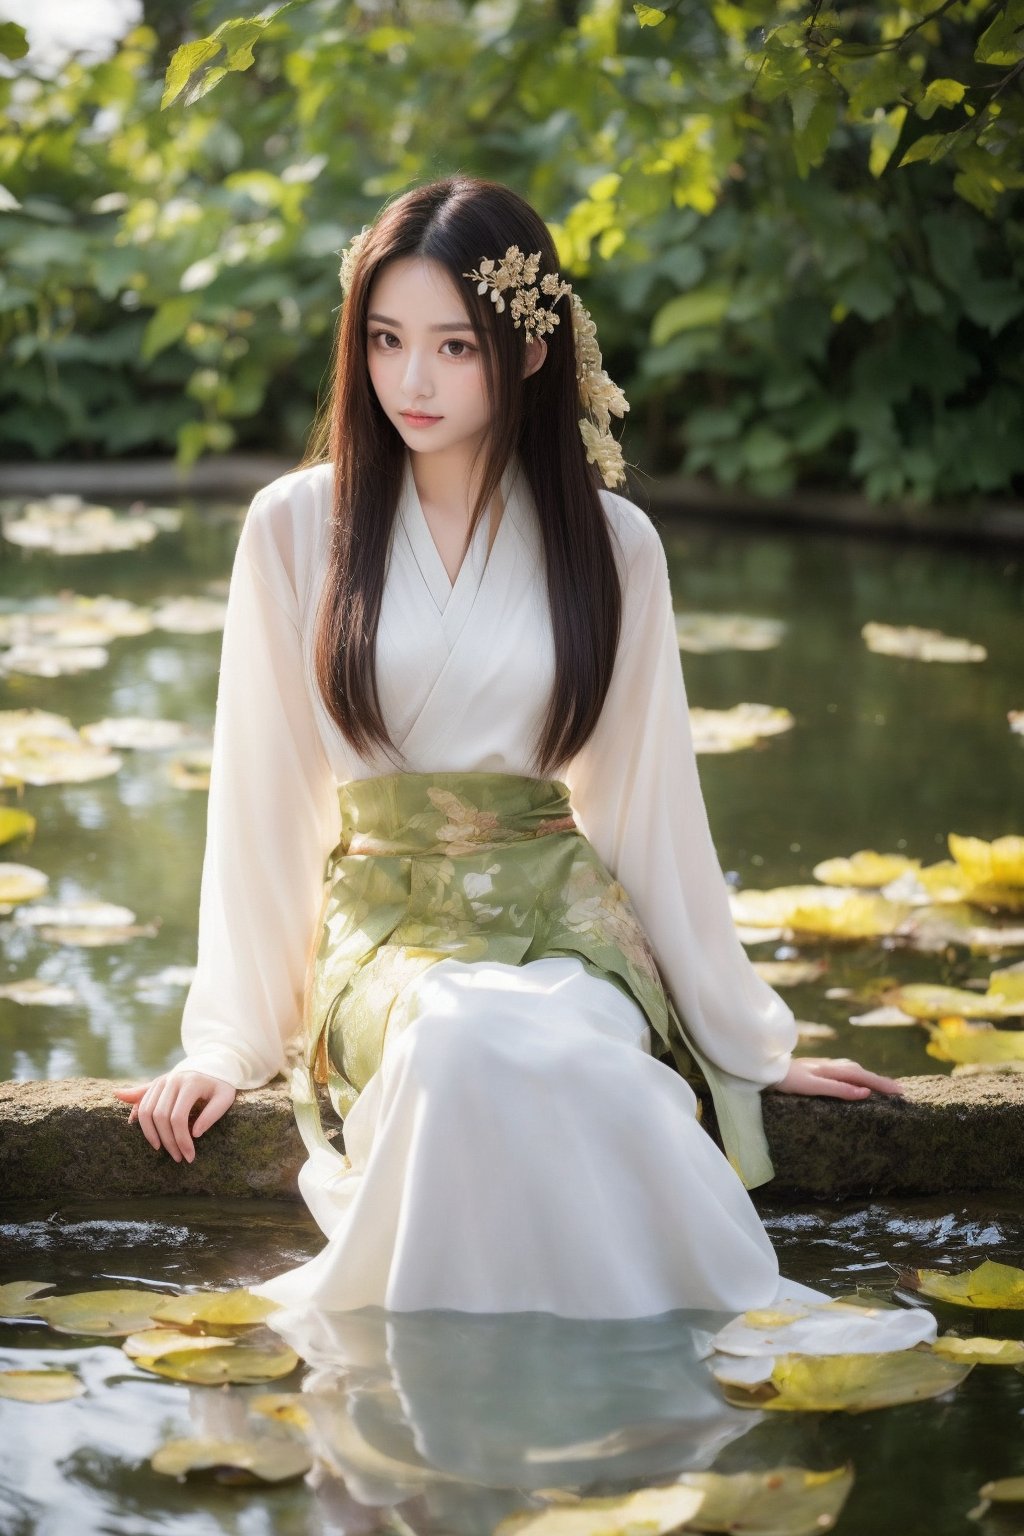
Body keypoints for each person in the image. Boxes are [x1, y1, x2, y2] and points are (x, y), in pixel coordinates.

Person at [115, 174, 904, 1318]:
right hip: (390, 932)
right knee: (456, 1043)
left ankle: (629, 1382)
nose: (412, 381)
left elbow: (647, 804)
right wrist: (227, 1042)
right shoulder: (294, 525)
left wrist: (744, 1040)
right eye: (386, 342)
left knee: (578, 1058)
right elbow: (263, 799)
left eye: (453, 346)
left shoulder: (611, 541)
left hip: (563, 929)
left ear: (528, 355)